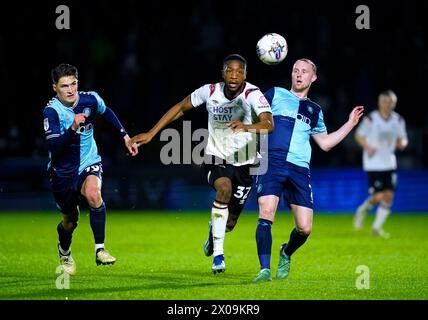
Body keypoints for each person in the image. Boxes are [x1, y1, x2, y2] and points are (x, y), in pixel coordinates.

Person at [129, 54, 274, 274]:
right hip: (215, 156)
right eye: (229, 70)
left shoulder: (253, 95)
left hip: (245, 164)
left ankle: (213, 232)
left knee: (230, 223)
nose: (234, 75)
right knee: (223, 189)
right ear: (222, 72)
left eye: (239, 71)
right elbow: (180, 108)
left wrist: (247, 127)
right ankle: (218, 256)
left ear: (245, 74)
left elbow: (268, 124)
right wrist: (151, 133)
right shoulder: (210, 91)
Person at [253, 58, 364, 282]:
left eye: (304, 71)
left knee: (304, 229)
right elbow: (253, 114)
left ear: (313, 77)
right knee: (266, 213)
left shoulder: (315, 110)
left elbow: (325, 143)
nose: (298, 74)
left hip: (299, 169)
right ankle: (264, 270)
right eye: (295, 70)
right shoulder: (275, 94)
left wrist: (350, 123)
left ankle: (286, 252)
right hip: (272, 162)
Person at [43, 63, 138, 275]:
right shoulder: (51, 111)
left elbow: (107, 111)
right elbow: (54, 147)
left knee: (95, 195)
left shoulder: (91, 99)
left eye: (73, 84)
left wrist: (125, 136)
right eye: (64, 86)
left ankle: (100, 250)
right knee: (70, 222)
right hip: (62, 173)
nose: (70, 90)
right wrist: (73, 127)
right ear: (55, 88)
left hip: (89, 162)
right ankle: (65, 251)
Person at [353, 90, 408, 238]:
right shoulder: (371, 119)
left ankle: (376, 228)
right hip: (373, 163)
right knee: (378, 197)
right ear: (379, 102)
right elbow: (358, 135)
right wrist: (367, 147)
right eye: (385, 101)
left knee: (389, 195)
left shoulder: (398, 120)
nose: (387, 104)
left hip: (389, 163)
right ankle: (363, 209)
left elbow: (403, 138)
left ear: (394, 103)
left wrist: (402, 143)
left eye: (390, 101)